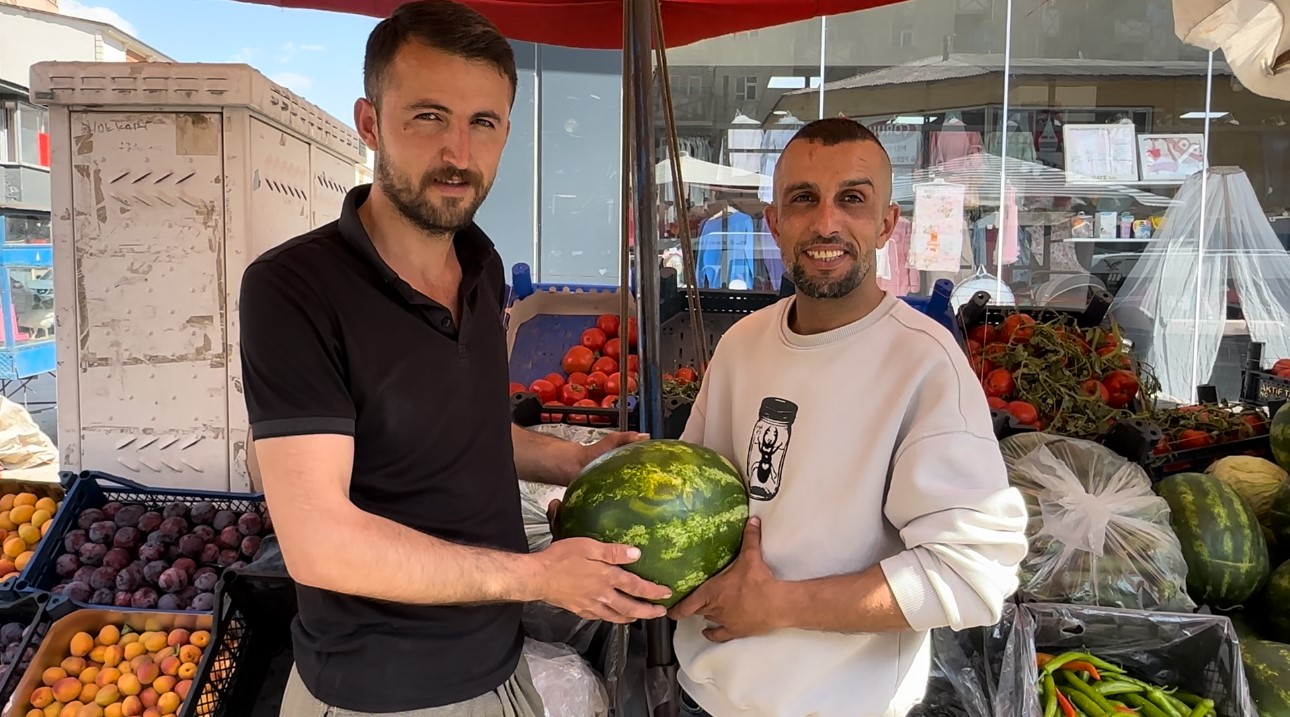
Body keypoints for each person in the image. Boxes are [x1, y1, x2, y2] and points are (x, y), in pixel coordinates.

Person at [237, 2, 671, 715]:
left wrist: (570, 460)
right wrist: (536, 577)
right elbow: (319, 541)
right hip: (383, 692)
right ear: (371, 123)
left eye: (484, 123)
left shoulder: (482, 266)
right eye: (429, 117)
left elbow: (457, 430)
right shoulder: (293, 289)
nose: (459, 154)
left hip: (497, 665)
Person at [666, 117, 1030, 717]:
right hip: (703, 695)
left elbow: (974, 575)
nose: (826, 223)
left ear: (887, 224)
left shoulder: (924, 364)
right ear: (775, 222)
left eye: (852, 200)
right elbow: (694, 506)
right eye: (803, 199)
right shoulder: (742, 343)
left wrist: (778, 605)